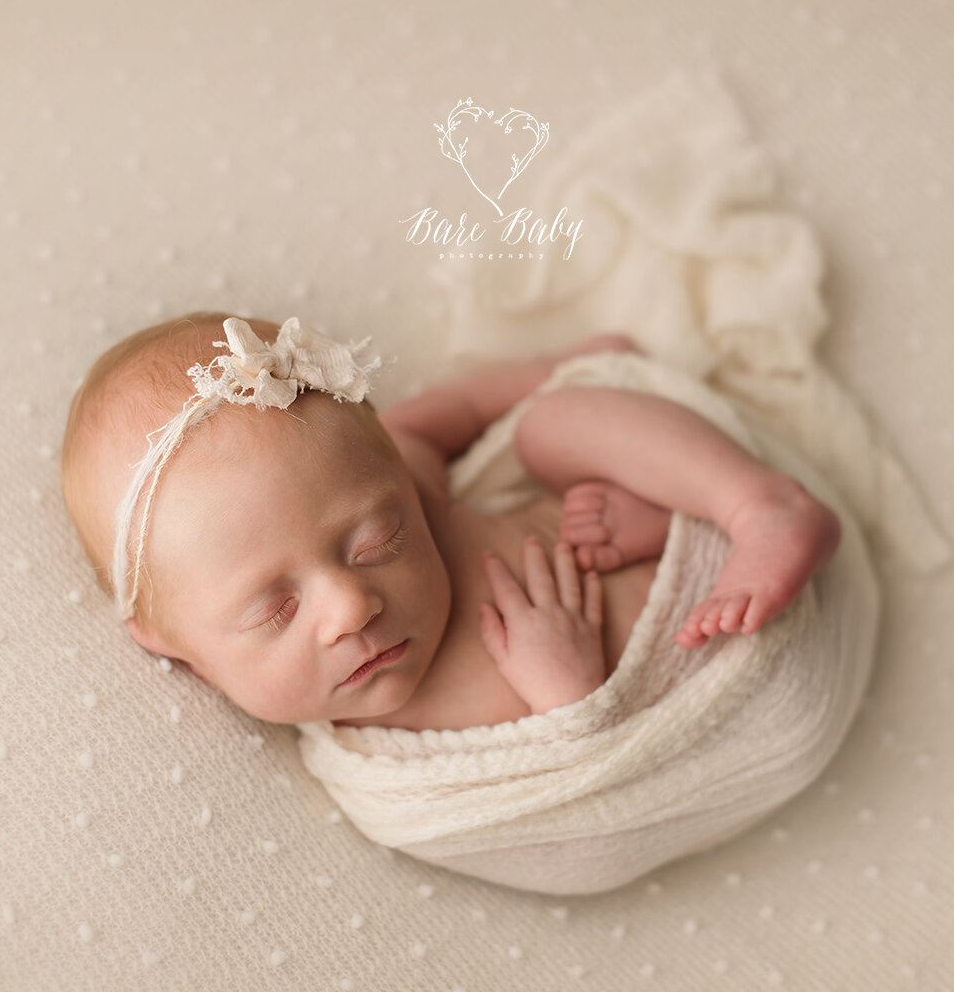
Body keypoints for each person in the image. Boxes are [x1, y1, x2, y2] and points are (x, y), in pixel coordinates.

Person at [60, 312, 839, 732]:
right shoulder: (382, 758)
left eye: (379, 540)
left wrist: (553, 370)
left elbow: (457, 414)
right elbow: (565, 821)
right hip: (702, 664)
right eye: (276, 608)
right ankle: (671, 519)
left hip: (710, 544)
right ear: (176, 647)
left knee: (556, 421)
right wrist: (572, 701)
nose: (352, 607)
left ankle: (753, 502)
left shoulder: (399, 475)